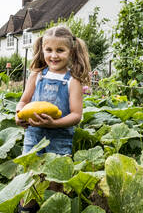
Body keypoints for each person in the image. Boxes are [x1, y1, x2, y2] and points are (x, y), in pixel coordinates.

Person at [15, 26, 91, 212]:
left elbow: (76, 115)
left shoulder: (72, 80)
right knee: (30, 182)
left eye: (60, 50)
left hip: (60, 139)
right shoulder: (37, 75)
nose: (53, 56)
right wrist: (19, 115)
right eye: (49, 50)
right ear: (42, 50)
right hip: (33, 137)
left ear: (71, 52)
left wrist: (53, 123)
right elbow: (23, 102)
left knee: (56, 185)